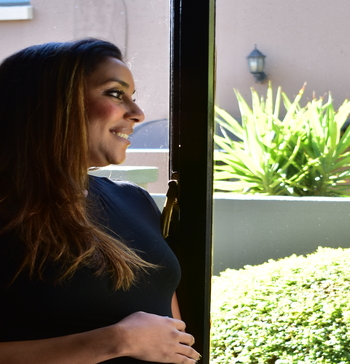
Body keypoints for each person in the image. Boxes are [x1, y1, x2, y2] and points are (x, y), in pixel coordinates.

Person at [0, 38, 201, 364]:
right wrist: (115, 341)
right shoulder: (8, 210)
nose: (137, 114)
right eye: (115, 94)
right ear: (53, 104)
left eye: (133, 97)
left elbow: (174, 336)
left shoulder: (135, 200)